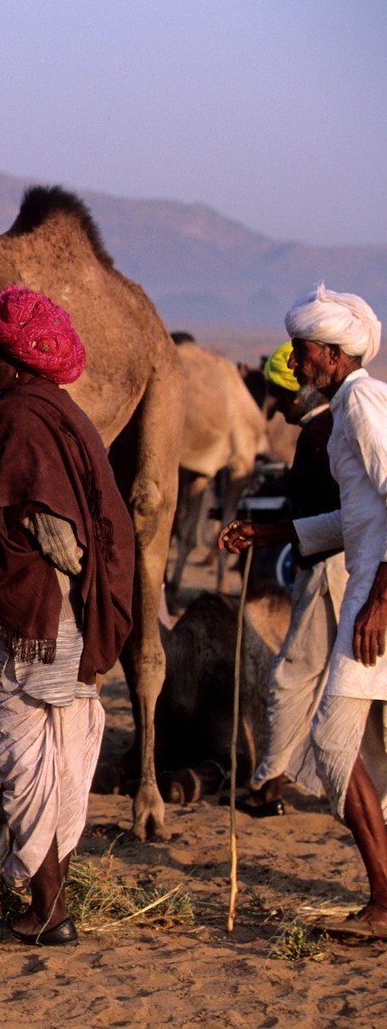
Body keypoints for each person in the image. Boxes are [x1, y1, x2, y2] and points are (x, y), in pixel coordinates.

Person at [0, 285, 136, 946]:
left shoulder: (17, 417)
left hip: (36, 617)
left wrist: (51, 569)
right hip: (73, 615)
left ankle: (48, 910)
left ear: (16, 361)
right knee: (62, 758)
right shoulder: (63, 410)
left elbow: (49, 524)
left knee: (25, 759)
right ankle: (52, 903)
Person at [219, 284, 387, 928]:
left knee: (334, 745)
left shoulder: (362, 405)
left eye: (304, 349)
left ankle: (384, 898)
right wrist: (269, 533)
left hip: (373, 597)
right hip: (366, 583)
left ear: (334, 354)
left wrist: (378, 601)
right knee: (337, 745)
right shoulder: (347, 410)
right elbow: (356, 519)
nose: (296, 360)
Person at [238, 341, 344, 816]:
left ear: (300, 392)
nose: (278, 408)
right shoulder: (336, 426)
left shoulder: (320, 435)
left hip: (331, 573)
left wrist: (282, 539)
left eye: (282, 395)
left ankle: (268, 785)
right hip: (335, 565)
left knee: (292, 677)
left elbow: (336, 517)